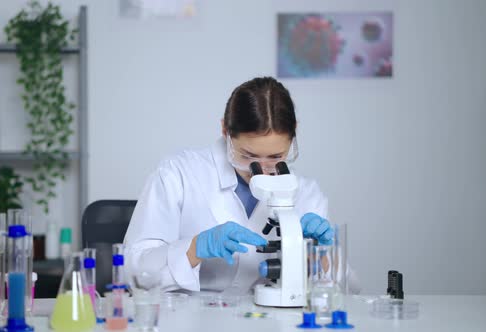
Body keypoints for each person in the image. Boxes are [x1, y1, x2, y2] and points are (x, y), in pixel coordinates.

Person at [124, 77, 348, 294]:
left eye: (275, 156)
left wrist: (320, 255)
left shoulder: (307, 193)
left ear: (293, 135)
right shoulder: (178, 174)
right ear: (225, 131)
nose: (262, 168)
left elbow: (339, 288)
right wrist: (193, 249)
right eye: (248, 155)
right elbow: (134, 272)